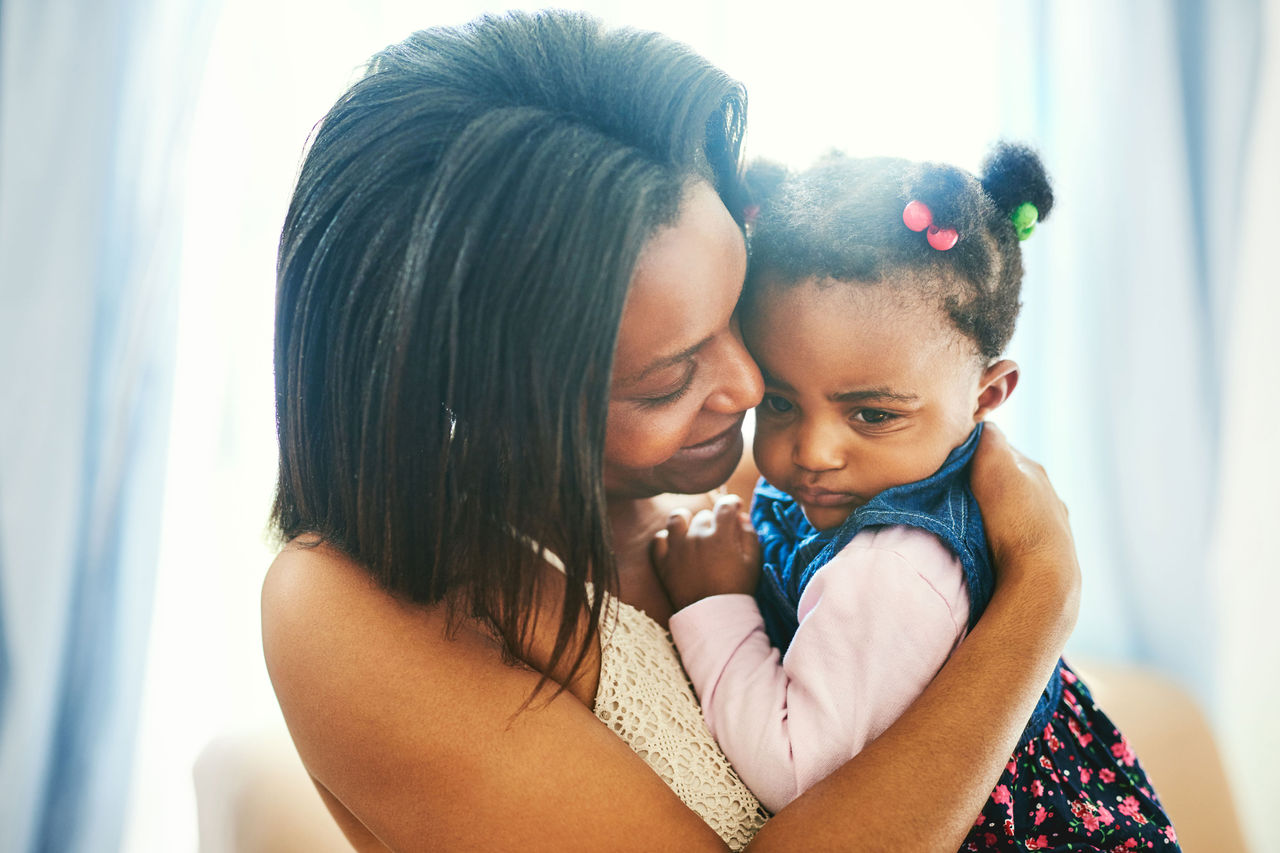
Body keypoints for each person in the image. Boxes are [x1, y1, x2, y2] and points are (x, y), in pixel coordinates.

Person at [260, 11, 1083, 851]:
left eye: (740, 315)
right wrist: (1040, 597)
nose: (752, 385)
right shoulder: (353, 603)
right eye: (670, 376)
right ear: (490, 393)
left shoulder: (785, 493)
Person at [655, 146, 1180, 848]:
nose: (813, 451)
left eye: (872, 414)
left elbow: (795, 769)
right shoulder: (857, 488)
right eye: (778, 401)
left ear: (987, 396)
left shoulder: (896, 566)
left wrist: (712, 603)